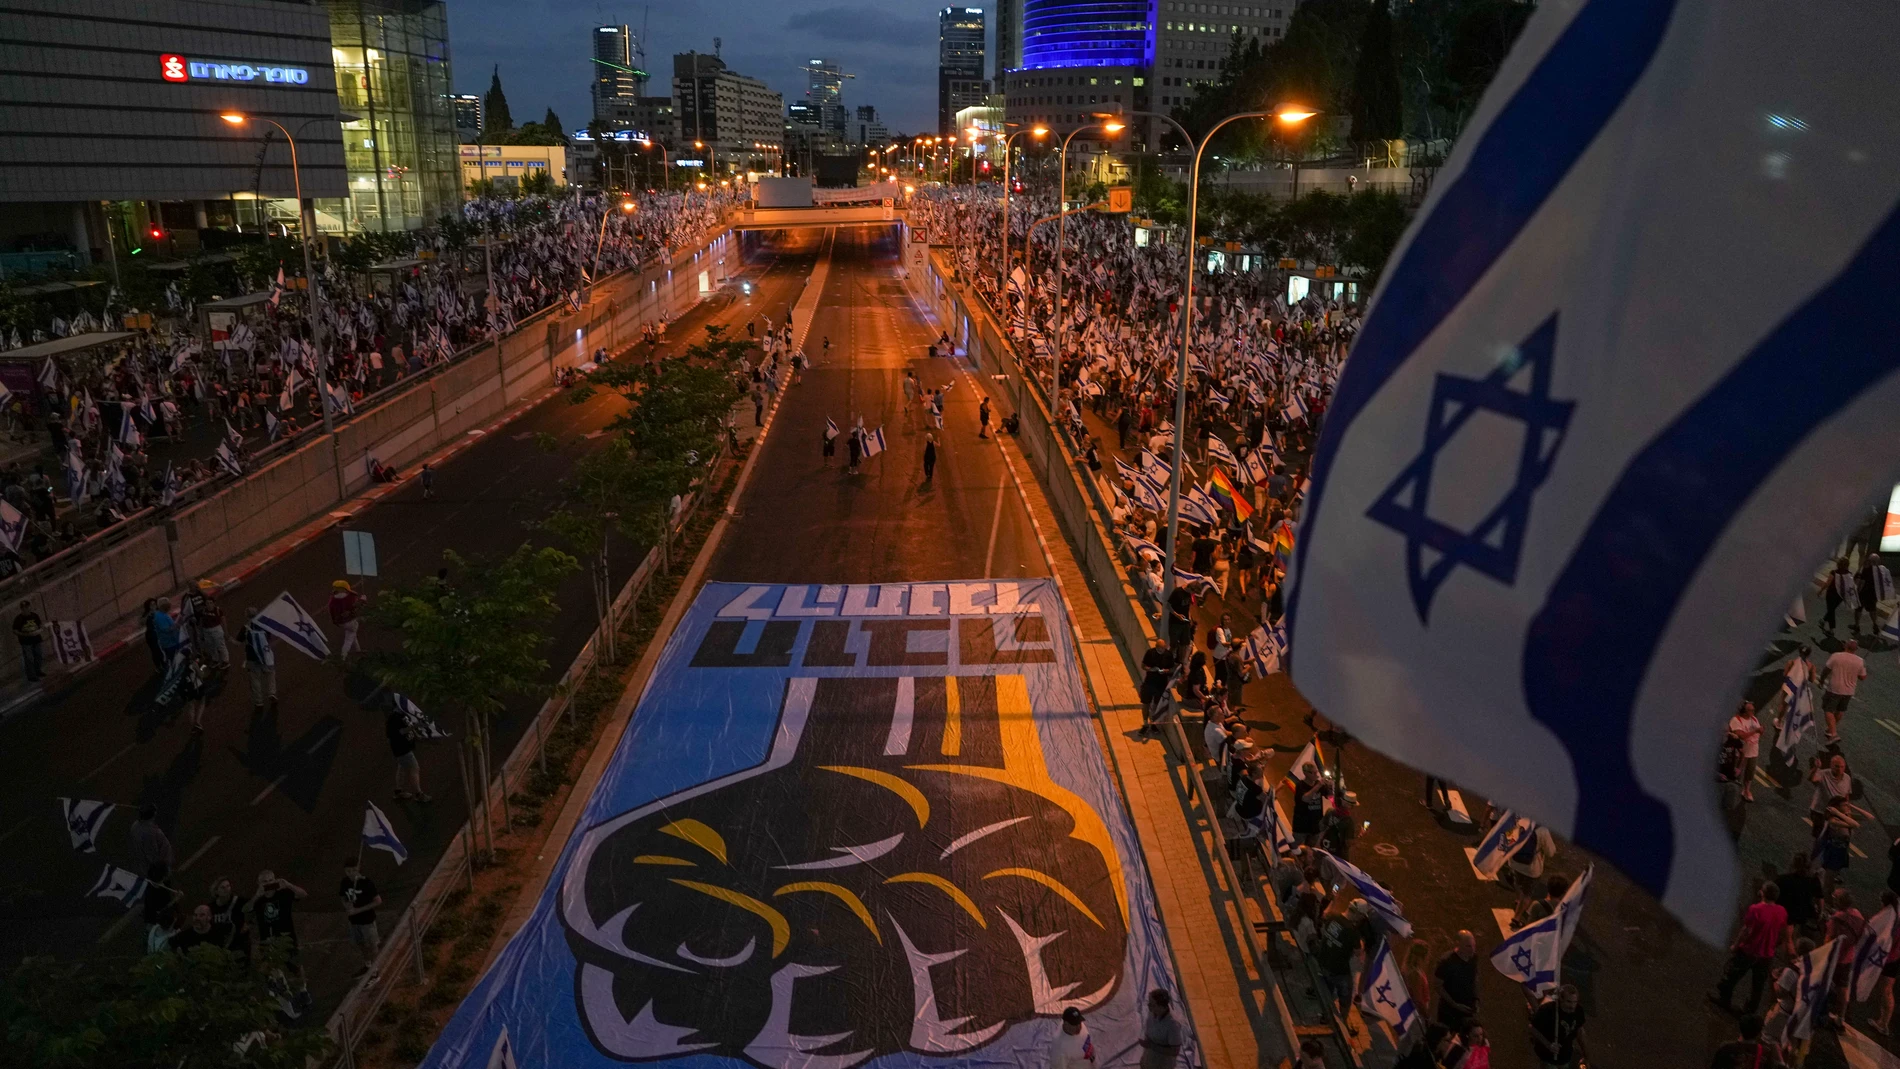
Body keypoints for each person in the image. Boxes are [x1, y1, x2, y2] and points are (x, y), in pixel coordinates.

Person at [1711, 881, 1789, 1015]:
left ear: (1762, 893)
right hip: (1767, 954)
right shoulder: (1782, 911)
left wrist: (1735, 945)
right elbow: (1782, 933)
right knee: (1757, 985)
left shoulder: (1756, 909)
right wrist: (1773, 945)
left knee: (1733, 976)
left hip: (1750, 951)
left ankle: (1724, 1000)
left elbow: (1746, 930)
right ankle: (1749, 1011)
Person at [340, 859, 383, 979]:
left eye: (353, 870)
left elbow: (377, 901)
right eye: (348, 871)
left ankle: (375, 970)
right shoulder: (345, 882)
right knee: (361, 944)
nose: (350, 873)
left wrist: (358, 910)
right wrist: (347, 906)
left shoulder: (366, 883)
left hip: (367, 920)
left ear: (358, 869)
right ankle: (368, 965)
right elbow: (342, 896)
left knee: (372, 945)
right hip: (354, 921)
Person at [1529, 983, 1588, 1068]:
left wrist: (1586, 1056)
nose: (1572, 1006)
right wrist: (1548, 1045)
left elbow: (1580, 1033)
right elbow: (1533, 1028)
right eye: (1569, 1002)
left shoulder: (1578, 1011)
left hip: (1565, 1056)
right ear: (1561, 999)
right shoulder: (1547, 1010)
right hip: (1548, 1057)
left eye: (1575, 1002)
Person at [252, 870, 308, 958]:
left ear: (275, 880)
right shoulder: (258, 900)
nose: (268, 883)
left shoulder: (284, 893)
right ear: (259, 883)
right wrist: (256, 895)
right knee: (269, 969)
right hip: (267, 941)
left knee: (295, 967)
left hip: (287, 939)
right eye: (264, 881)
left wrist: (288, 885)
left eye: (271, 880)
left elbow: (303, 895)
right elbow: (246, 909)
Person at [1820, 639, 1866, 742]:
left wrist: (1821, 680)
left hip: (1835, 689)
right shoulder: (1860, 661)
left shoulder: (1836, 656)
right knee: (1840, 710)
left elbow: (1826, 669)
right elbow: (1863, 677)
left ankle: (1834, 734)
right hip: (1849, 691)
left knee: (1828, 710)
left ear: (1845, 646)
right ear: (1856, 649)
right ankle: (1830, 729)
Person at [1434, 931, 1480, 1032]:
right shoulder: (1446, 961)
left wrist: (1476, 999)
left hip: (1467, 1009)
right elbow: (1438, 986)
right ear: (1458, 944)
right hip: (1449, 1012)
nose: (1472, 950)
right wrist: (1454, 1004)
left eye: (1474, 946)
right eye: (1468, 946)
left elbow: (1474, 978)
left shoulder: (1473, 958)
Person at [387, 705, 431, 802]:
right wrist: (415, 726)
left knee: (402, 768)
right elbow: (400, 732)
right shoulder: (393, 718)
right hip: (401, 748)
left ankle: (399, 792)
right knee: (414, 768)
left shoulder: (402, 714)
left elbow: (408, 725)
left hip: (404, 747)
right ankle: (419, 794)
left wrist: (416, 735)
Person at [240, 608, 277, 716]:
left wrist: (228, 637)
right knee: (270, 674)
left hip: (252, 657)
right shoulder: (264, 625)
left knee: (255, 680)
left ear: (247, 616)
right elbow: (269, 638)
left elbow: (238, 642)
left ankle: (259, 701)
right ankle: (272, 693)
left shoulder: (245, 628)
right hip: (265, 656)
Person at [208, 875, 252, 963]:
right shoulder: (211, 908)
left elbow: (253, 906)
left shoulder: (238, 902)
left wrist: (249, 923)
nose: (226, 889)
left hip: (239, 945)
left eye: (228, 886)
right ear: (216, 891)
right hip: (220, 948)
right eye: (223, 887)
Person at [1137, 989, 1185, 1069]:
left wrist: (1151, 1046)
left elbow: (1175, 1051)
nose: (1149, 1006)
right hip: (1148, 1061)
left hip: (1162, 1065)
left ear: (1161, 1006)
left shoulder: (1173, 1025)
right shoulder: (1152, 1012)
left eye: (1152, 1004)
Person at [1138, 638, 1176, 735]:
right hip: (1149, 682)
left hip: (1161, 684)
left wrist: (1166, 671)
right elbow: (1143, 666)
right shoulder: (1150, 653)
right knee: (1146, 703)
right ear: (1156, 647)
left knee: (1156, 705)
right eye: (1160, 648)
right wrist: (1151, 669)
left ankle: (1153, 723)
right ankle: (1145, 724)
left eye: (1163, 648)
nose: (1162, 650)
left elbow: (1172, 668)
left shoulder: (1168, 655)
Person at [1728, 701, 1764, 802]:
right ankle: (1732, 792)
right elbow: (1741, 735)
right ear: (1744, 712)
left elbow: (1758, 734)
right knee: (1737, 772)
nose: (1753, 711)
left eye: (1753, 709)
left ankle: (1746, 790)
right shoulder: (1736, 720)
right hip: (1740, 751)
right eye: (1751, 710)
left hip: (1753, 750)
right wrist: (1756, 731)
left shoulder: (1754, 719)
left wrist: (1761, 731)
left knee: (1750, 771)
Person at [128, 804, 174, 877]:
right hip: (151, 871)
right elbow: (152, 855)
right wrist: (162, 869)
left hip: (139, 864)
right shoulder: (153, 832)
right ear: (153, 815)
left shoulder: (135, 826)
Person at [1856, 552, 1894, 634]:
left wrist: (1858, 591)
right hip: (1874, 594)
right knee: (1872, 610)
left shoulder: (1867, 569)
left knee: (1859, 609)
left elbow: (1862, 582)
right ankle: (1875, 624)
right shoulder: (1882, 571)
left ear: (1870, 561)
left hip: (1864, 593)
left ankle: (1856, 626)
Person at [192, 583, 228, 668]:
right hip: (206, 630)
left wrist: (226, 632)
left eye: (210, 603)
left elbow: (223, 621)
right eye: (207, 603)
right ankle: (215, 660)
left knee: (220, 645)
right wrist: (201, 632)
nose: (209, 604)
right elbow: (201, 622)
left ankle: (225, 661)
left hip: (216, 629)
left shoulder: (218, 610)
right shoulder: (203, 611)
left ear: (213, 603)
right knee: (211, 646)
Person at [329, 580, 364, 660]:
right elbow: (357, 606)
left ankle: (358, 650)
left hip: (341, 623)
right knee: (348, 639)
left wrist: (335, 622)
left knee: (352, 634)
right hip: (351, 621)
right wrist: (363, 600)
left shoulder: (333, 600)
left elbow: (332, 612)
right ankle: (343, 657)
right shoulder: (351, 597)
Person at [12, 598, 43, 683]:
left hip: (36, 639)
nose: (25, 609)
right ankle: (31, 676)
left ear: (29, 607)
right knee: (29, 659)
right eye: (23, 608)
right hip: (26, 642)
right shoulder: (18, 619)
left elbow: (41, 625)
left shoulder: (34, 615)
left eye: (26, 607)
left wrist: (38, 631)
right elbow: (15, 630)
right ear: (21, 609)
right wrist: (25, 635)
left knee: (39, 656)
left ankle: (38, 671)